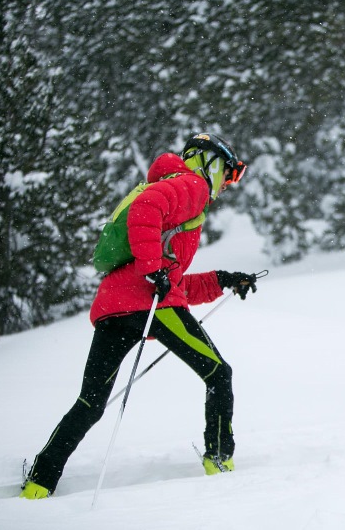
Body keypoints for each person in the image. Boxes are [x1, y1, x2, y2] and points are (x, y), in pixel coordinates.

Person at [20, 133, 258, 499]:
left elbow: (173, 282)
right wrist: (153, 271)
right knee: (218, 373)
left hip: (116, 307)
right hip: (150, 304)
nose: (227, 183)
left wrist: (223, 280)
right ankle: (220, 462)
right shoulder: (191, 184)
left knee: (90, 403)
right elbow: (147, 211)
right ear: (208, 162)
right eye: (228, 172)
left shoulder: (171, 187)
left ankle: (39, 480)